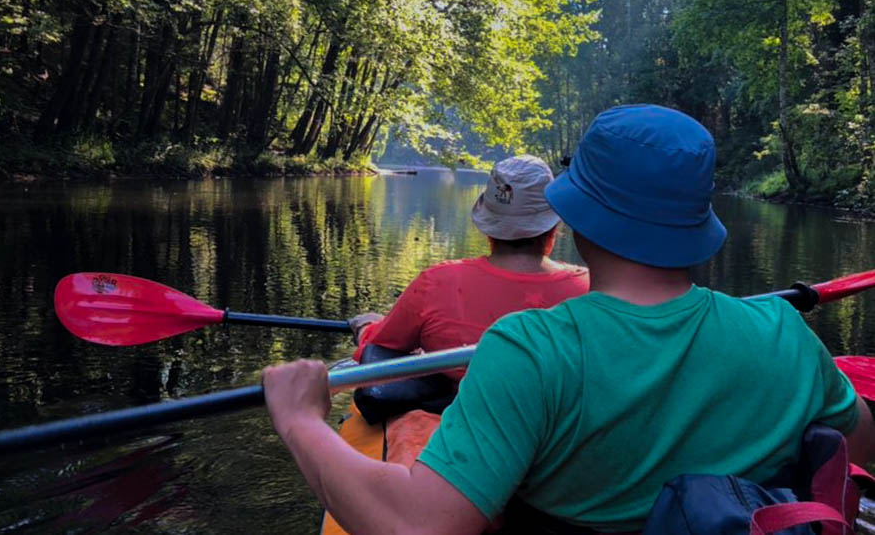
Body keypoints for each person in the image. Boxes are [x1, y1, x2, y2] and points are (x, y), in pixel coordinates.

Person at [262, 104, 875, 535]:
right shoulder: (782, 331)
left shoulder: (527, 350)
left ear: (577, 220)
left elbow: (416, 523)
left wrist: (299, 418)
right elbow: (860, 444)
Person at [349, 154, 589, 381]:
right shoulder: (592, 290)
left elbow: (377, 348)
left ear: (489, 230)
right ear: (553, 229)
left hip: (455, 419)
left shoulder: (437, 282)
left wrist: (366, 325)